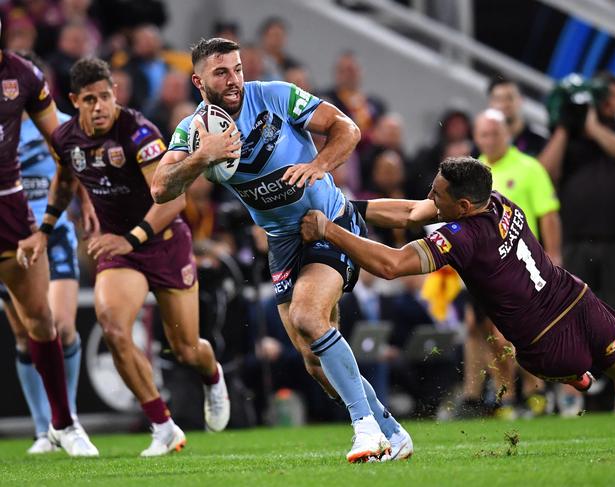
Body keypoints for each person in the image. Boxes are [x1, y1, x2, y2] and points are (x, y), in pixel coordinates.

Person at [150, 37, 412, 463]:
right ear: (198, 80)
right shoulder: (193, 131)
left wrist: (317, 166)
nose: (234, 79)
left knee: (309, 317)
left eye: (236, 68)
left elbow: (348, 128)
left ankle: (366, 431)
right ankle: (391, 430)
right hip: (283, 241)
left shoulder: (275, 95)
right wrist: (203, 157)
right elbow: (161, 188)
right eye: (221, 72)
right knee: (312, 360)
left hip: (327, 224)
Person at [300, 157, 615, 413]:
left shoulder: (463, 237)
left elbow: (391, 265)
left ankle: (576, 372)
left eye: (437, 194)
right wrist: (346, 208)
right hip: (578, 300)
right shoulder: (498, 200)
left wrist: (329, 230)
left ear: (463, 206)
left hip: (548, 345)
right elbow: (410, 213)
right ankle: (581, 373)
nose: (430, 198)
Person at [18, 57, 230, 457]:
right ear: (74, 101)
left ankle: (212, 374)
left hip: (163, 241)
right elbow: (64, 183)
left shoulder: (138, 132)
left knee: (185, 348)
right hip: (122, 251)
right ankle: (163, 425)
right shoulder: (65, 139)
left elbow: (172, 200)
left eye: (106, 96)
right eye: (90, 100)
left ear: (115, 92)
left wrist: (130, 239)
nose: (100, 107)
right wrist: (44, 229)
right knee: (113, 326)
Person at [0, 26, 98, 456]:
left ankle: (64, 423)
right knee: (26, 333)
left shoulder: (21, 78)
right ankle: (48, 427)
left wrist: (88, 196)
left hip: (24, 219)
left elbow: (65, 147)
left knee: (46, 322)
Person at [542, 72, 615, 415]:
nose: (606, 102)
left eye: (612, 96)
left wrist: (594, 127)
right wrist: (563, 125)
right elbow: (545, 172)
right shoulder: (569, 138)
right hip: (576, 242)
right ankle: (572, 396)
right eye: (600, 96)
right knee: (571, 321)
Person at [469, 108, 561, 417]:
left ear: (507, 134)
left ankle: (536, 392)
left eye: (495, 133)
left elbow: (547, 212)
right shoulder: (473, 170)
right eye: (484, 134)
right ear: (476, 137)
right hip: (484, 270)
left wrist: (554, 254)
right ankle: (505, 393)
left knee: (523, 332)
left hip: (522, 264)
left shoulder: (528, 167)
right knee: (491, 335)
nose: (490, 140)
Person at [487, 76, 548, 157]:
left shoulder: (539, 141)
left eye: (510, 98)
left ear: (521, 100)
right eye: (498, 99)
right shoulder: (483, 139)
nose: (504, 104)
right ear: (490, 103)